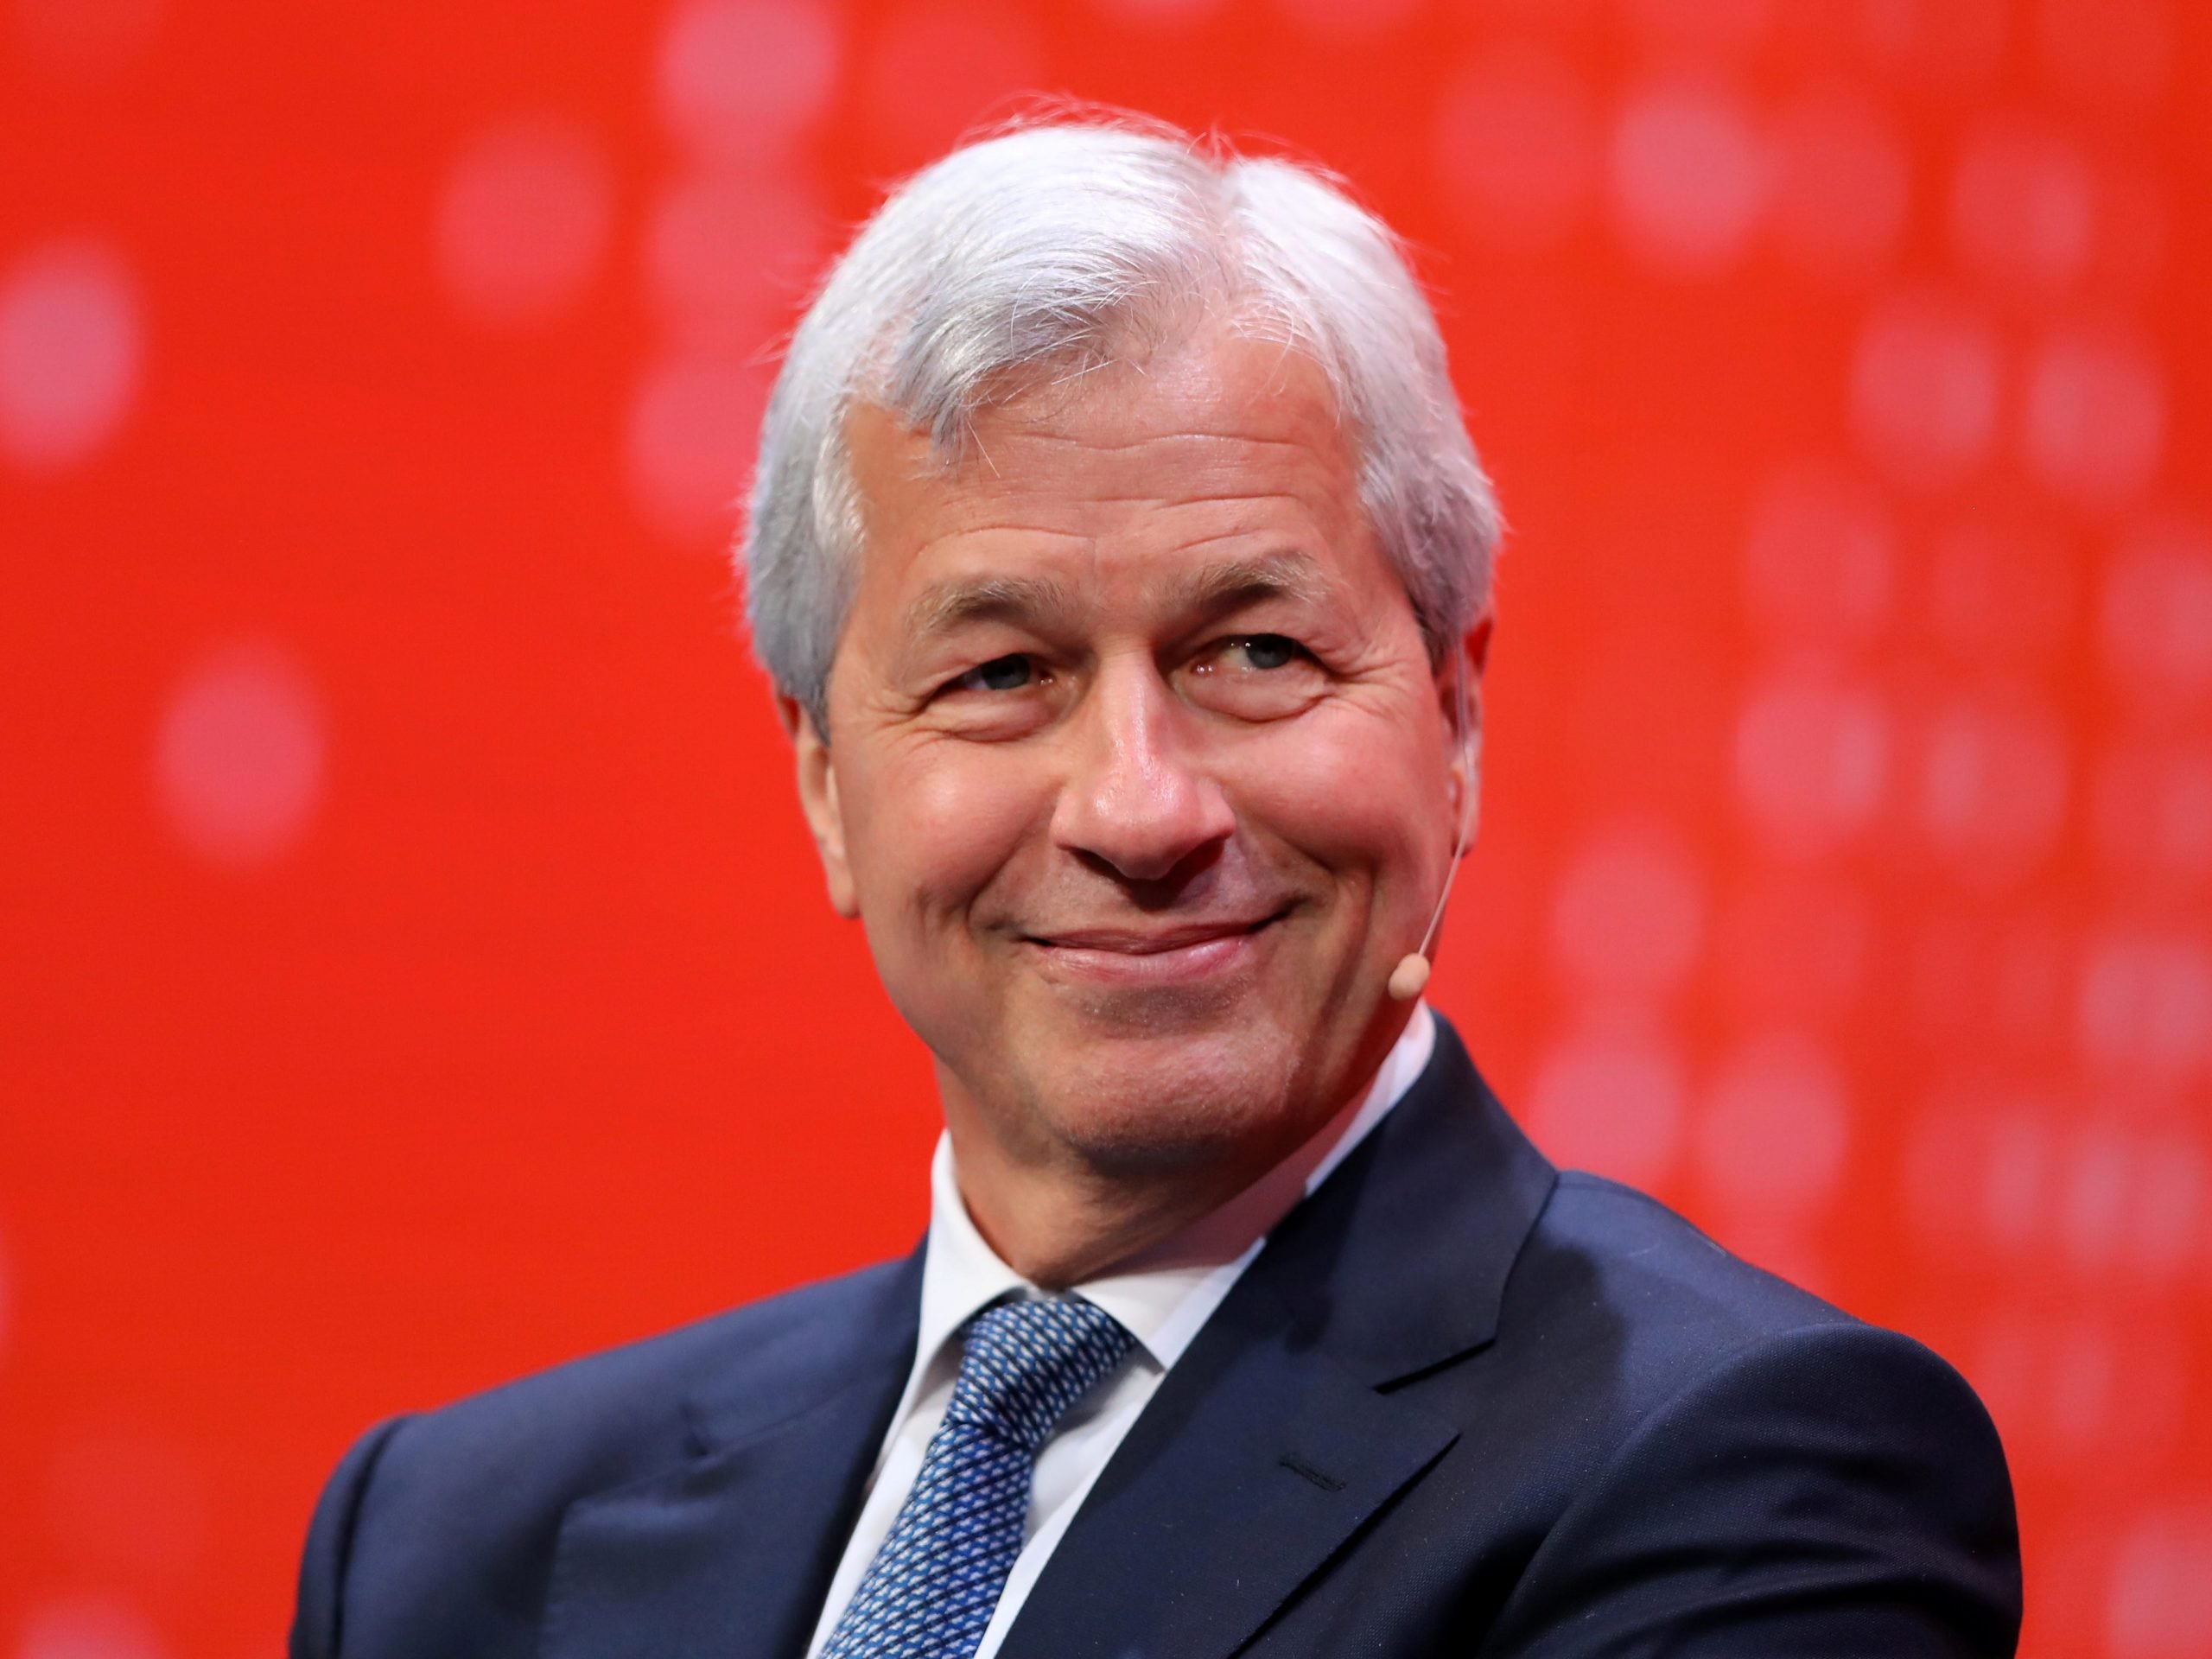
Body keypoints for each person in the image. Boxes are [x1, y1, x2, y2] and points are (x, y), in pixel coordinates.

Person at [289, 115, 2022, 1659]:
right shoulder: (453, 1541)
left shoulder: (1747, 1478)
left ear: (1456, 718)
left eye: (1253, 652)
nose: (1138, 808)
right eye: (1000, 674)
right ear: (827, 780)